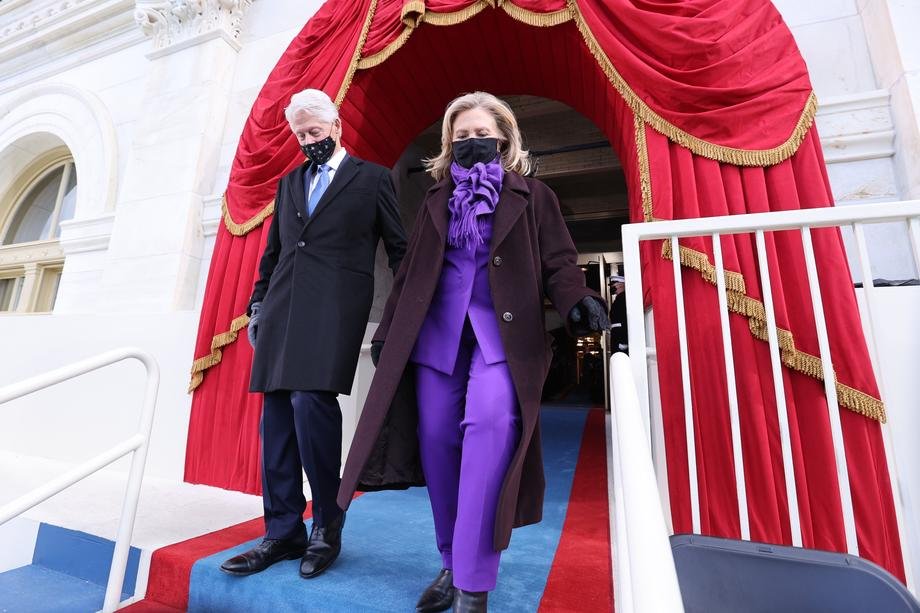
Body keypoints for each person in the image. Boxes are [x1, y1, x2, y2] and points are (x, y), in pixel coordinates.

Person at [337, 92, 608, 612]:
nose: (471, 141)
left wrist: (577, 300)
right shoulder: (434, 201)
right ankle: (451, 560)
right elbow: (410, 274)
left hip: (502, 340)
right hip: (437, 338)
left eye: (481, 133)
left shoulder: (535, 196)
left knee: (488, 430)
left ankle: (472, 583)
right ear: (448, 144)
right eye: (461, 135)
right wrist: (388, 331)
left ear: (503, 137)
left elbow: (560, 262)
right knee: (438, 444)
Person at [220, 88, 407, 580]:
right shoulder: (289, 183)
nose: (307, 141)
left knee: (310, 403)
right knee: (277, 420)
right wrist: (257, 304)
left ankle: (327, 522)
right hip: (281, 308)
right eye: (300, 135)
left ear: (337, 126)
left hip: (334, 309)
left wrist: (409, 312)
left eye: (314, 131)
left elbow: (399, 249)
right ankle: (283, 531)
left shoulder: (373, 179)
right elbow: (275, 251)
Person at [608, 274, 628, 353]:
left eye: (614, 284)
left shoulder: (623, 298)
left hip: (621, 338)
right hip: (617, 336)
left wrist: (624, 341)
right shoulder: (619, 298)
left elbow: (625, 318)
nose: (612, 286)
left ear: (621, 284)